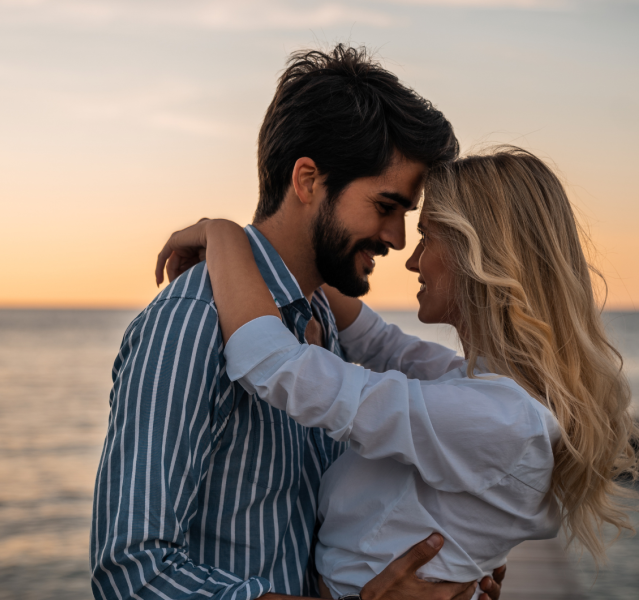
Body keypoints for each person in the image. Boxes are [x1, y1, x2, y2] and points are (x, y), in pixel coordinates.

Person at [90, 45, 506, 599]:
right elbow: (132, 574)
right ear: (307, 181)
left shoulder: (318, 317)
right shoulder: (191, 323)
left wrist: (440, 568)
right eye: (385, 207)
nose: (396, 239)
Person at [156, 147, 639, 599]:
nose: (410, 258)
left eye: (428, 236)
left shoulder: (497, 418)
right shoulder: (497, 393)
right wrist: (293, 254)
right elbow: (381, 343)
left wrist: (223, 235)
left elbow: (277, 367)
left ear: (480, 256)